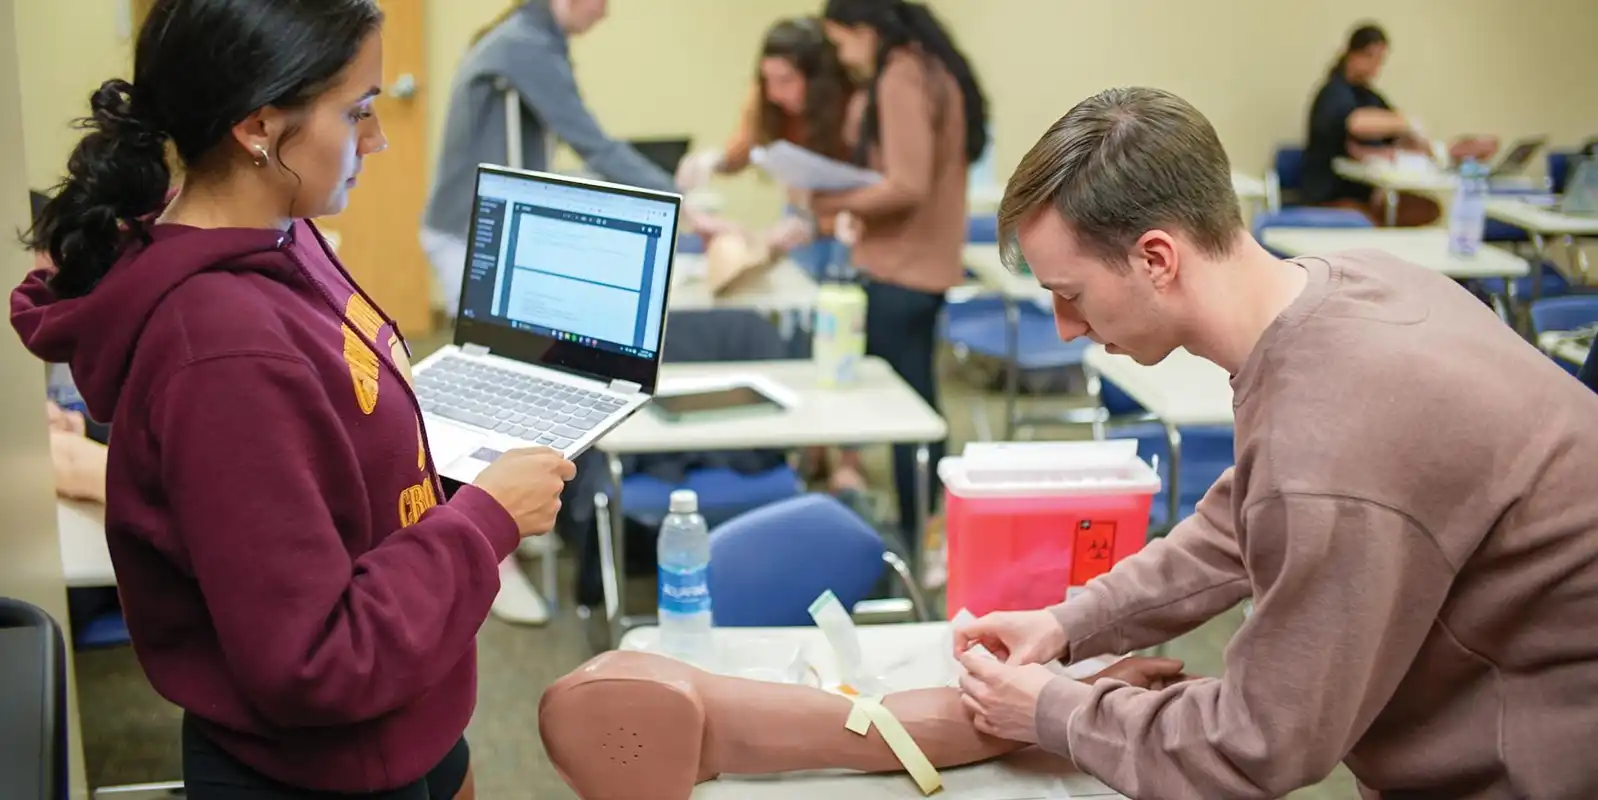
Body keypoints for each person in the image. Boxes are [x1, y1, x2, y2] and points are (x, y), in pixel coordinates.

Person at [952, 87, 1598, 798]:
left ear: (1157, 258)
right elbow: (1247, 517)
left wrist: (1052, 710)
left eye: (1070, 293)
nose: (1066, 327)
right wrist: (1067, 622)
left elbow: (1259, 743)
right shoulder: (1355, 285)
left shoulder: (1335, 436)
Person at [13, 1, 575, 796]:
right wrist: (487, 519)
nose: (377, 139)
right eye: (358, 113)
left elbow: (329, 469)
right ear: (259, 129)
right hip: (318, 764)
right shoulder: (219, 351)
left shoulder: (283, 231)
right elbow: (314, 658)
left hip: (401, 713)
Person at [811, 0, 987, 547]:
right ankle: (922, 529)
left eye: (842, 44)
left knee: (907, 412)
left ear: (867, 31)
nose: (844, 58)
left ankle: (918, 534)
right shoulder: (933, 67)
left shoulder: (902, 72)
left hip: (901, 269)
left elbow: (906, 183)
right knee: (918, 403)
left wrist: (834, 199)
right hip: (923, 267)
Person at [423, 0, 677, 319]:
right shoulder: (525, 44)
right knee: (497, 347)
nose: (605, 12)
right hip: (467, 233)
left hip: (478, 225)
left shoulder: (532, 36)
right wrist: (673, 194)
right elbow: (593, 145)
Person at [676, 17, 855, 272]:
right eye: (767, 79)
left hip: (849, 219)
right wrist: (716, 161)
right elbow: (746, 145)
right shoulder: (767, 95)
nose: (774, 92)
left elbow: (874, 195)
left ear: (818, 79)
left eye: (786, 80)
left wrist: (820, 223)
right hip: (800, 212)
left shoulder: (850, 105)